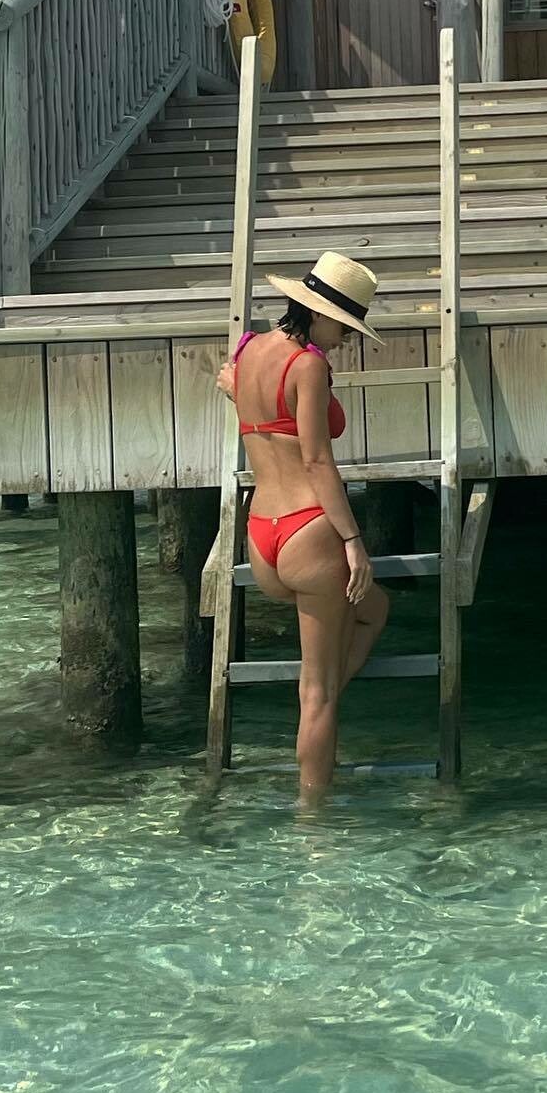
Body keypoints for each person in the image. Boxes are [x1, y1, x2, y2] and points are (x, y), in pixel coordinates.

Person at [215, 252, 389, 793]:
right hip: (308, 530)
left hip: (263, 534)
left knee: (375, 609)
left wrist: (233, 389)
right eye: (345, 326)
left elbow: (255, 410)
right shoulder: (308, 366)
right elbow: (316, 460)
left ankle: (321, 698)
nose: (347, 338)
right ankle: (313, 819)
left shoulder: (248, 351)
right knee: (318, 695)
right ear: (317, 313)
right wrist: (353, 540)